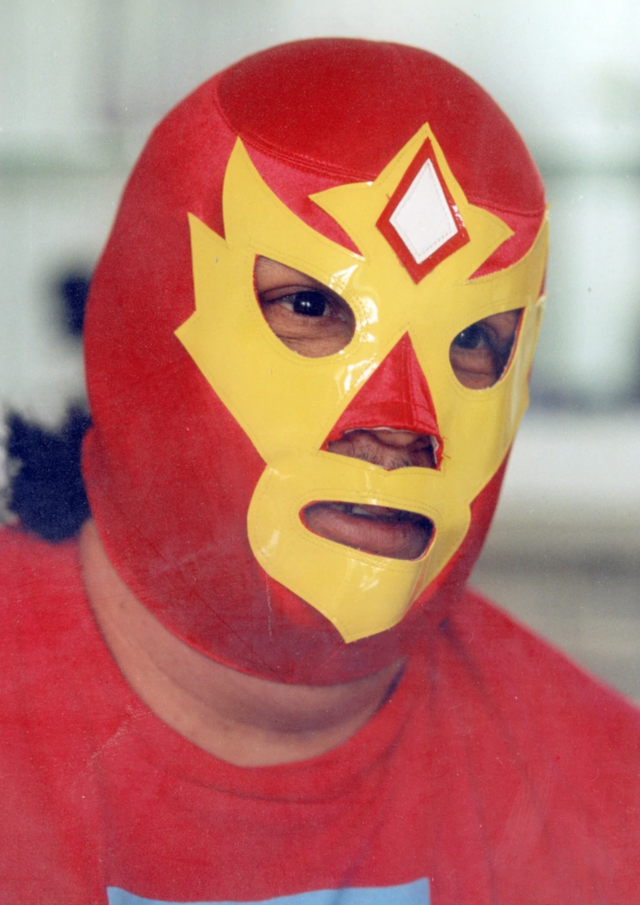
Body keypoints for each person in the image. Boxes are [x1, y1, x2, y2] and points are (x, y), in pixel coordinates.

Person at [1, 37, 639, 905]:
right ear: (148, 313)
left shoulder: (606, 798)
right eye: (311, 307)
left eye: (473, 343)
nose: (400, 424)